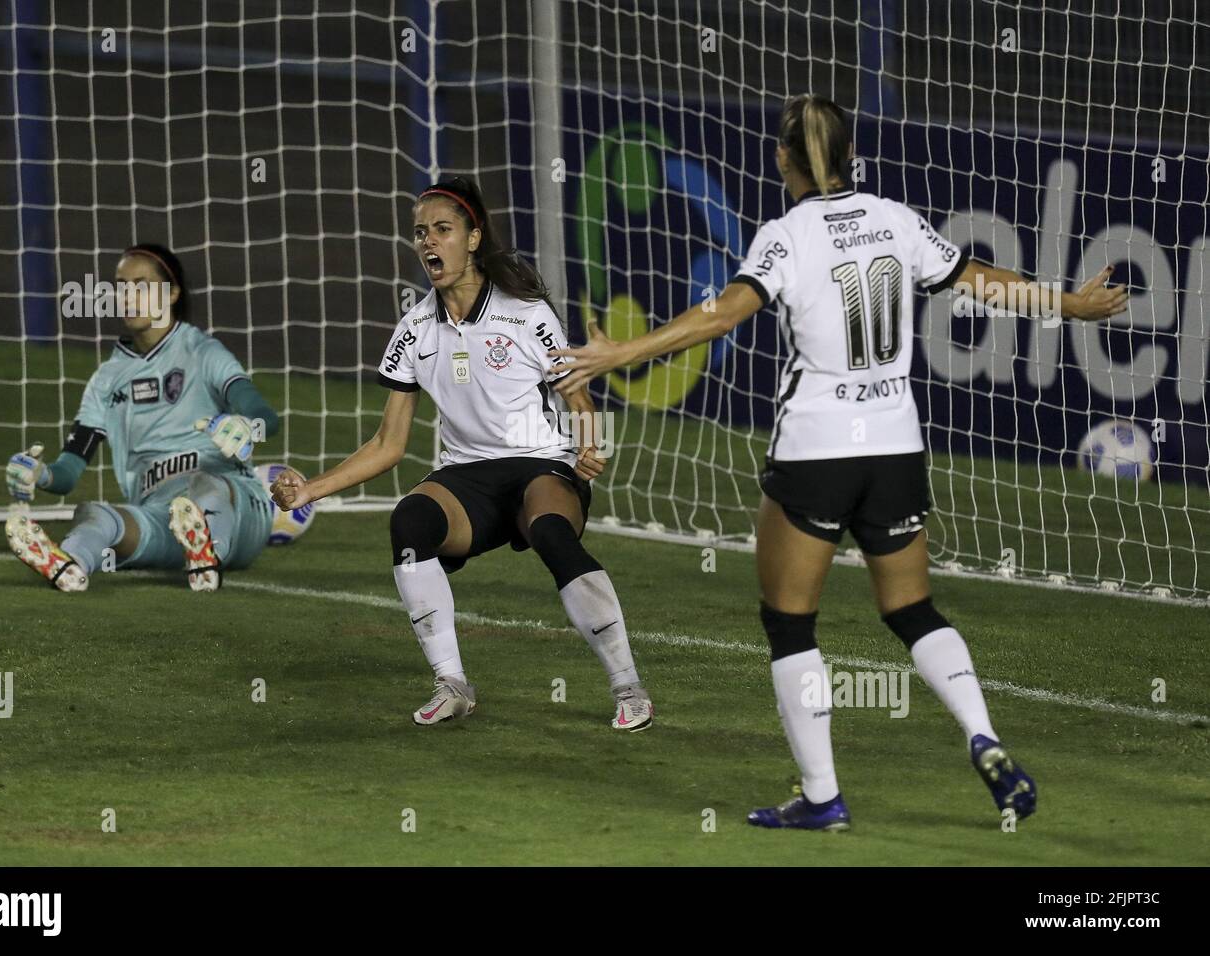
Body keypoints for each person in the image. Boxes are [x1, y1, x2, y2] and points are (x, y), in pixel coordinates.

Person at [551, 95, 1129, 827]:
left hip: (818, 449)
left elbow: (721, 314)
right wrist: (1069, 306)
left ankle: (822, 796)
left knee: (791, 625)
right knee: (912, 609)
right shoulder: (895, 219)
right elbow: (980, 279)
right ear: (851, 151)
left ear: (783, 159)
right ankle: (982, 732)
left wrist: (618, 352)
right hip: (895, 448)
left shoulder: (787, 236)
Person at [271, 177, 654, 730]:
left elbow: (579, 396)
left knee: (549, 531)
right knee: (410, 521)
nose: (429, 242)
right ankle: (451, 682)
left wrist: (592, 450)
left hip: (542, 466)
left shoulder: (526, 313)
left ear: (473, 238)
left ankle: (629, 687)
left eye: (443, 230)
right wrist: (310, 491)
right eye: (420, 233)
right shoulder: (413, 332)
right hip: (466, 479)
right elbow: (388, 445)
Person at [4, 243, 282, 593]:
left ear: (173, 292)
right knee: (95, 514)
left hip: (239, 508)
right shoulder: (106, 381)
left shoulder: (203, 352)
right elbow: (68, 474)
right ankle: (70, 565)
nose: (128, 295)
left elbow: (265, 416)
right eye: (121, 286)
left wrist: (246, 426)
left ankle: (209, 554)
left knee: (205, 486)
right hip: (165, 519)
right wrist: (40, 474)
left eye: (142, 285)